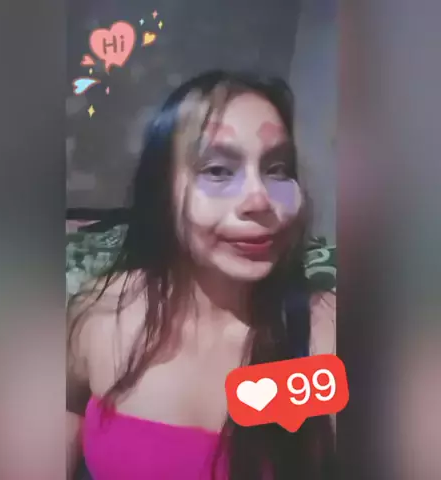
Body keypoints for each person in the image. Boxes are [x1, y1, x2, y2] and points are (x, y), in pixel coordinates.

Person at [66, 70, 336, 480]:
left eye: (278, 169)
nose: (260, 199)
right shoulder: (98, 314)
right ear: (161, 191)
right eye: (218, 170)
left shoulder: (326, 333)